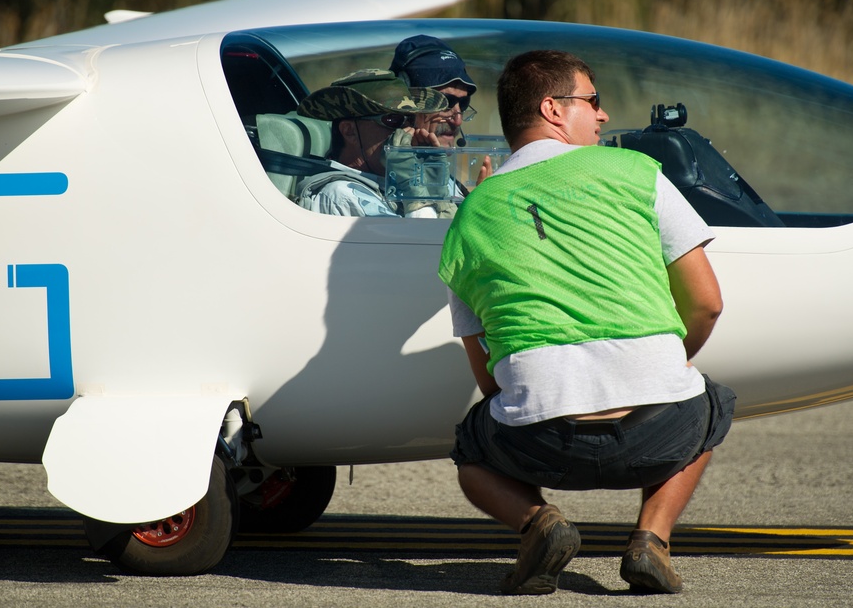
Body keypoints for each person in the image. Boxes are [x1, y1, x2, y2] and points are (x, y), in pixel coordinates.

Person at [437, 50, 736, 596]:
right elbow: (708, 303)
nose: (601, 116)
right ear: (553, 109)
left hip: (540, 443)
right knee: (713, 405)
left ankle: (540, 523)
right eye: (593, 101)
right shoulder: (637, 173)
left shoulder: (471, 217)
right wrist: (672, 360)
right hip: (659, 430)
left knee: (471, 450)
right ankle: (651, 540)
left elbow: (487, 380)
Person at [295, 69, 448, 217]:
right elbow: (421, 241)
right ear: (349, 131)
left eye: (411, 120)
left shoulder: (389, 186)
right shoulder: (342, 196)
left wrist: (436, 193)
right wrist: (414, 189)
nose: (407, 130)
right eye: (393, 120)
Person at [389, 35, 493, 217]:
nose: (457, 120)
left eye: (464, 103)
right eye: (444, 102)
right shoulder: (366, 187)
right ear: (406, 104)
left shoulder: (449, 180)